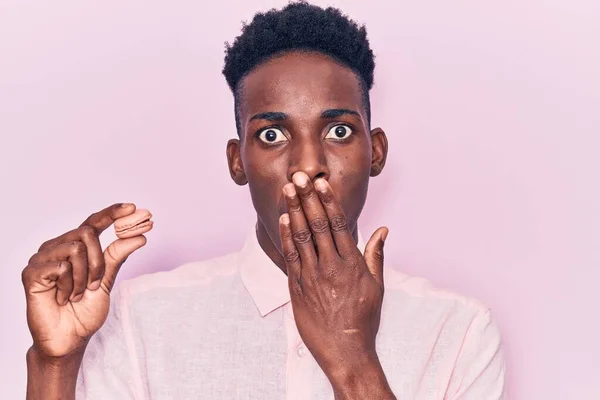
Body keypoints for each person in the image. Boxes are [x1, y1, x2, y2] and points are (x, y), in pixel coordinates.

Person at [22, 2, 506, 399]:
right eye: (272, 134)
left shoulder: (459, 331)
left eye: (339, 130)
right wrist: (53, 366)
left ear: (375, 152)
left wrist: (352, 360)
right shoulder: (138, 317)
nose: (307, 165)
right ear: (238, 162)